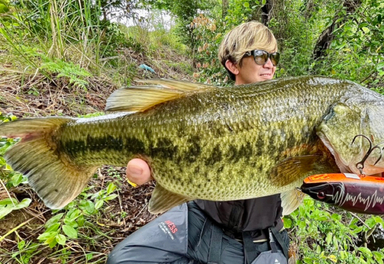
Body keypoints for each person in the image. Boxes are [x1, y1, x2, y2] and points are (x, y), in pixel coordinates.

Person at [107, 21, 290, 264]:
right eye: (259, 55)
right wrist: (146, 174)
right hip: (200, 217)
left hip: (258, 240)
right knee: (122, 260)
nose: (269, 64)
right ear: (232, 64)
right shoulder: (201, 112)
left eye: (273, 57)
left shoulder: (289, 112)